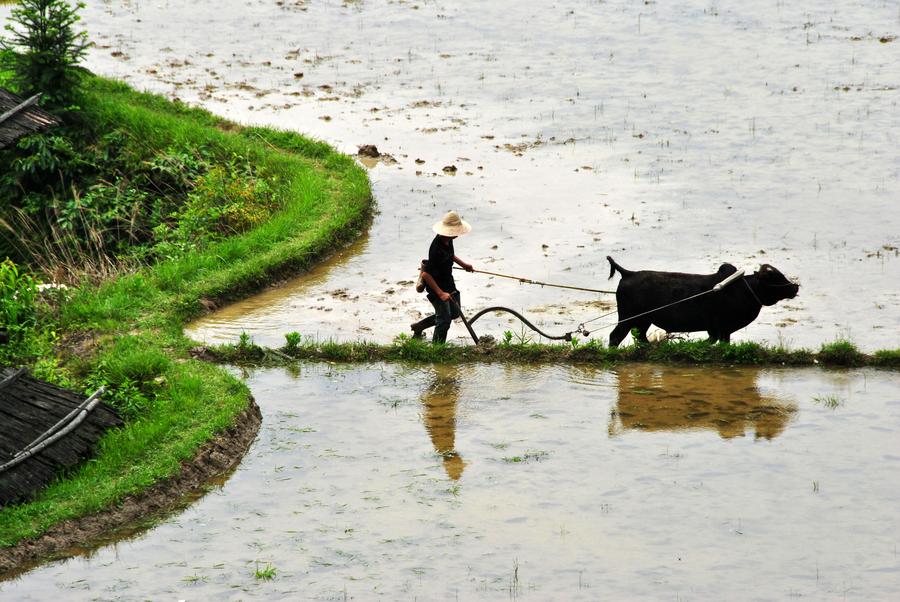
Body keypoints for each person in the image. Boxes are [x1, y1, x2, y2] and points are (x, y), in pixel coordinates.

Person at [410, 211, 474, 343]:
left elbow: (450, 255)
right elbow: (426, 274)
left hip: (448, 282)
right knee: (444, 321)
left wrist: (464, 265)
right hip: (436, 287)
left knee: (455, 313)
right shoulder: (436, 250)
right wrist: (440, 294)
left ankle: (419, 326)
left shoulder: (447, 241)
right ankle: (437, 349)